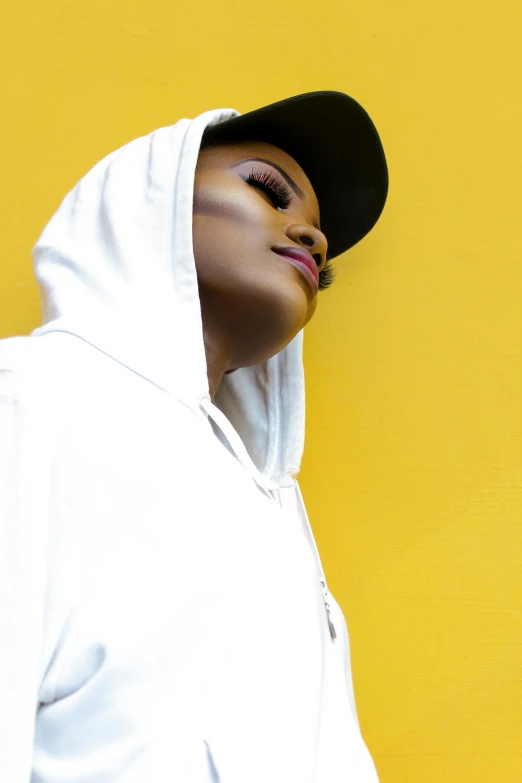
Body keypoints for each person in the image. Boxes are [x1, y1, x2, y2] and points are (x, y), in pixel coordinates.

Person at [0, 91, 388, 782]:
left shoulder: (273, 513)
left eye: (321, 253)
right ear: (149, 203)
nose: (313, 239)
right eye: (271, 191)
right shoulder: (31, 394)